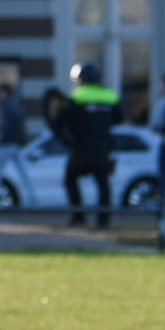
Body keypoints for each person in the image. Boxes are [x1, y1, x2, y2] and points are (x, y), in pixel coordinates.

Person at [62, 63, 118, 227]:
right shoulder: (110, 95)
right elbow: (119, 117)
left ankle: (78, 216)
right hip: (103, 148)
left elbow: (64, 119)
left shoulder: (78, 96)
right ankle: (104, 220)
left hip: (82, 149)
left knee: (70, 179)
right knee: (103, 184)